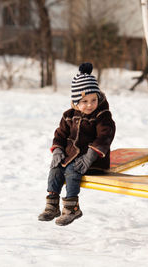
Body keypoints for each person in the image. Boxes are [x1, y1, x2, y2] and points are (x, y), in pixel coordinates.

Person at [38, 62, 116, 226]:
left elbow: (105, 135)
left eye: (93, 99)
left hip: (93, 159)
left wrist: (90, 155)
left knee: (72, 171)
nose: (90, 105)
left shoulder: (102, 115)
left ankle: (72, 208)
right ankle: (52, 204)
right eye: (84, 101)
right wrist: (58, 150)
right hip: (70, 156)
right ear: (75, 102)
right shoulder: (69, 115)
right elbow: (60, 133)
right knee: (56, 169)